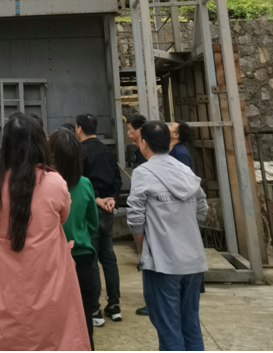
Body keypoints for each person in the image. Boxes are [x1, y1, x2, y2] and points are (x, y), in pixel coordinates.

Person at [0, 112, 89, 351]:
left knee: (0, 339)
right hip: (48, 278)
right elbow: (62, 218)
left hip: (0, 280)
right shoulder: (56, 183)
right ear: (40, 143)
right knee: (53, 339)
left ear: (6, 146)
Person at [127, 120, 208, 352]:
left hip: (162, 263)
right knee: (191, 326)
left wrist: (142, 251)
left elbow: (135, 219)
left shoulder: (143, 172)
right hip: (193, 260)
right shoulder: (185, 171)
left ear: (143, 143)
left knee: (169, 330)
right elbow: (202, 209)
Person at [49, 128, 99, 350]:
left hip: (53, 260)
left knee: (55, 322)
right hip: (82, 259)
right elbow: (93, 223)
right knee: (84, 319)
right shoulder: (85, 184)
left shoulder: (45, 186)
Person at [75, 114, 122, 325]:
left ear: (78, 129)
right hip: (108, 209)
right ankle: (114, 305)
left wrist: (96, 199)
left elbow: (80, 182)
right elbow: (117, 179)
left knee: (92, 259)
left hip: (91, 209)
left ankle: (94, 309)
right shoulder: (108, 151)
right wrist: (112, 199)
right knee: (109, 257)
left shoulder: (80, 152)